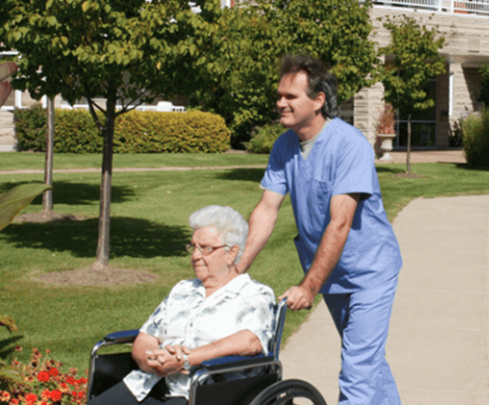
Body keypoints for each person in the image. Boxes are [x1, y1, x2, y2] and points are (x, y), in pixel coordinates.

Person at [238, 54, 402, 405]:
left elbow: (340, 222)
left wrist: (309, 285)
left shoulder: (349, 144)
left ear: (318, 100)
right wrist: (236, 271)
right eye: (279, 95)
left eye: (290, 97)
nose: (280, 103)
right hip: (331, 272)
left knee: (357, 371)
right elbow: (267, 210)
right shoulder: (285, 145)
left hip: (369, 270)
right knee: (368, 362)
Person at [89, 205, 275, 405]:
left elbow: (250, 341)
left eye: (206, 248)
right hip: (148, 383)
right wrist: (153, 362)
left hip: (204, 391)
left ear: (231, 253)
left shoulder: (254, 294)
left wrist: (186, 359)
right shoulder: (182, 289)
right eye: (193, 247)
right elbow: (146, 336)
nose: (195, 256)